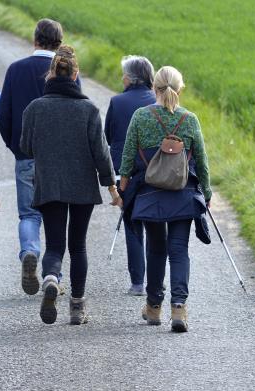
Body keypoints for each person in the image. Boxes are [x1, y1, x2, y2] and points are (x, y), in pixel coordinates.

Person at [20, 45, 119, 325]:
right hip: (82, 187)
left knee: (54, 246)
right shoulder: (88, 109)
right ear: (75, 74)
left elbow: (25, 147)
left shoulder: (35, 108)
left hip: (49, 184)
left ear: (51, 73)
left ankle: (51, 277)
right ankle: (77, 307)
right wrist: (111, 186)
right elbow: (101, 152)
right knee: (78, 247)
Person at [119, 66, 211, 333]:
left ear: (153, 88)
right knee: (179, 250)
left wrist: (123, 190)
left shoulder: (140, 117)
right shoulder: (190, 120)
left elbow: (127, 160)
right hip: (183, 196)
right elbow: (202, 163)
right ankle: (179, 307)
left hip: (151, 196)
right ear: (180, 89)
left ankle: (154, 307)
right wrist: (206, 193)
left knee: (156, 249)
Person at [0, 19, 80, 295]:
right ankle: (51, 271)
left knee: (29, 214)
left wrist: (16, 148)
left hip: (27, 156)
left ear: (35, 39)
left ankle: (29, 252)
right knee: (57, 219)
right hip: (60, 160)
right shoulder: (67, 70)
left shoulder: (15, 70)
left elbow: (5, 115)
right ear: (60, 41)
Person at [104, 55, 156, 296]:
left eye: (123, 74)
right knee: (157, 227)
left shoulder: (117, 102)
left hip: (126, 174)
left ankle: (137, 283)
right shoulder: (158, 100)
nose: (122, 78)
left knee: (133, 226)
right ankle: (157, 280)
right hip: (158, 173)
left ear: (130, 78)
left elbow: (108, 136)